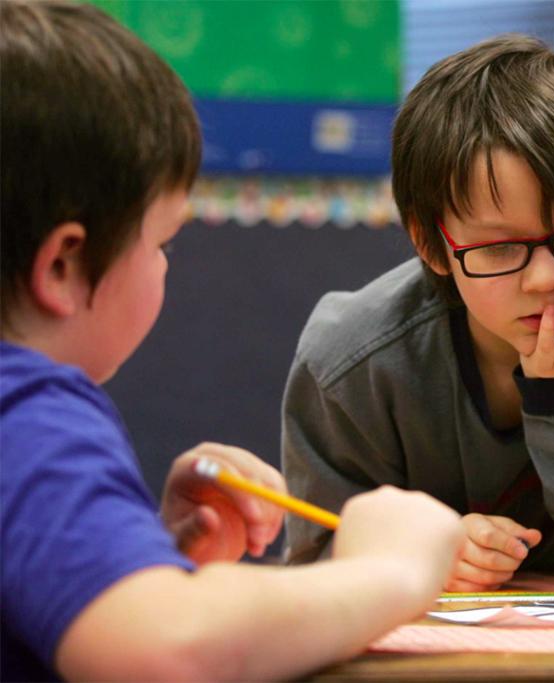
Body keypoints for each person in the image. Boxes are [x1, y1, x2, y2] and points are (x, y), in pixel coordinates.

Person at [0, 2, 465, 681]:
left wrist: (152, 556)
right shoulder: (30, 413)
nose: (166, 265)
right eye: (161, 242)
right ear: (63, 267)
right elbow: (162, 647)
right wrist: (387, 569)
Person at [282, 35, 554, 589]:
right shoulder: (351, 362)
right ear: (431, 245)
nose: (546, 278)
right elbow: (314, 567)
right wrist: (411, 554)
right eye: (498, 248)